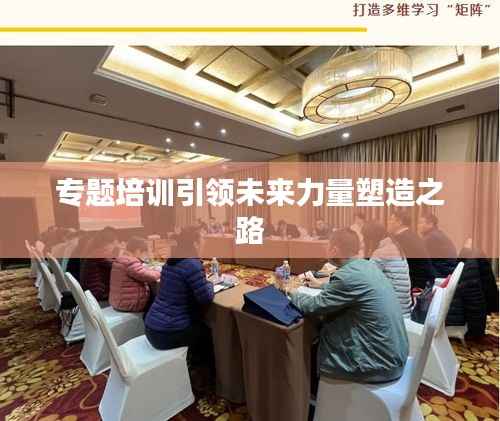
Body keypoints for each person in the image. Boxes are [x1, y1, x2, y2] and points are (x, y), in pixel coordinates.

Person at [289, 228, 409, 383]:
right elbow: (349, 291)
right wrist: (321, 285)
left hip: (377, 365)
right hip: (393, 356)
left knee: (317, 336)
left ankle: (311, 389)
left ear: (334, 250)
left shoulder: (346, 276)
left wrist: (291, 291)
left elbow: (312, 306)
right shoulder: (367, 266)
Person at [145, 226, 215, 353]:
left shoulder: (170, 262)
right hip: (167, 333)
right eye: (203, 238)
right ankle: (194, 364)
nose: (204, 241)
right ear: (195, 243)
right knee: (207, 332)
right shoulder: (192, 264)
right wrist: (211, 284)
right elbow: (206, 298)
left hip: (151, 326)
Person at [362, 221, 412, 317]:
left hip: (393, 312)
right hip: (404, 309)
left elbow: (365, 280)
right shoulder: (396, 247)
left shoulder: (381, 252)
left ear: (370, 238)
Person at [387, 210, 436, 289]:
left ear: (399, 222)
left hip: (415, 283)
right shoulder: (412, 235)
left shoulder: (400, 239)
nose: (388, 222)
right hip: (425, 281)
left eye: (391, 219)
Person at [109, 236, 160, 313]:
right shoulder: (130, 261)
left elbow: (139, 271)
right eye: (145, 253)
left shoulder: (121, 259)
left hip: (119, 301)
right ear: (138, 251)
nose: (147, 255)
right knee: (156, 301)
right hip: (129, 304)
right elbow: (149, 276)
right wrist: (158, 272)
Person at [79, 227, 120, 302]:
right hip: (99, 295)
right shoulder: (100, 254)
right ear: (109, 243)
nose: (114, 247)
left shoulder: (94, 252)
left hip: (91, 294)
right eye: (115, 244)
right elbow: (118, 266)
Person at [417, 213, 458, 278]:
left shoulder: (430, 237)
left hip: (441, 272)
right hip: (448, 270)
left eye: (421, 223)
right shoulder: (437, 234)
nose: (418, 225)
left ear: (430, 224)